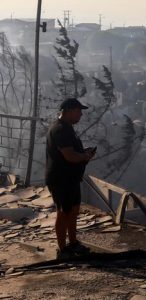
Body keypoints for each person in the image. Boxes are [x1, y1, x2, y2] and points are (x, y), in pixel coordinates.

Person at [45, 98, 96, 258]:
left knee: (73, 210)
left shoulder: (67, 128)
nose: (80, 114)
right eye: (79, 111)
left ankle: (73, 242)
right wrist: (84, 156)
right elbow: (69, 156)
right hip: (61, 179)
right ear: (70, 110)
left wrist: (83, 154)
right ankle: (63, 248)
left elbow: (73, 152)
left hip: (70, 178)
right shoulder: (60, 129)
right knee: (63, 212)